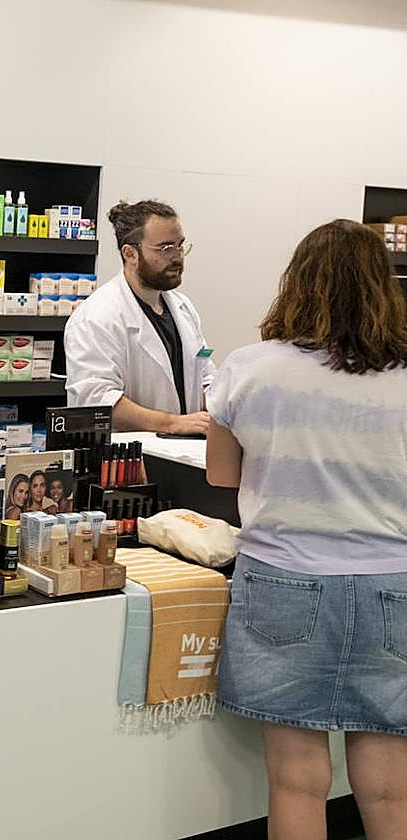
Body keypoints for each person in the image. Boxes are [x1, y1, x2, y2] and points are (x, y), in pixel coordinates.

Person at [206, 219, 407, 840]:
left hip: (284, 581)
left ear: (297, 283)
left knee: (296, 781)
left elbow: (220, 475)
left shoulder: (250, 369)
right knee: (391, 787)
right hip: (394, 586)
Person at [65, 200, 217, 435]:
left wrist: (227, 405)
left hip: (182, 450)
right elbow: (98, 401)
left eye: (180, 246)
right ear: (130, 254)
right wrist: (172, 423)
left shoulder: (183, 308)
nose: (177, 257)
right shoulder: (97, 317)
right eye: (166, 248)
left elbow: (204, 373)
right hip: (126, 459)